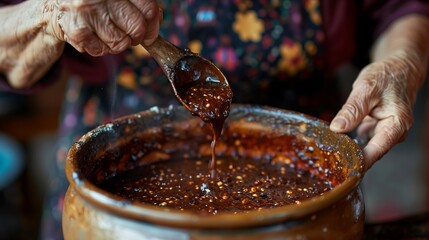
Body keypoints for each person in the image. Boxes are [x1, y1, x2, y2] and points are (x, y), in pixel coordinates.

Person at [1, 0, 429, 238]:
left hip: (313, 182)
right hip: (108, 195)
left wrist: (402, 59)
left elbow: (398, 7)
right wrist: (49, 12)